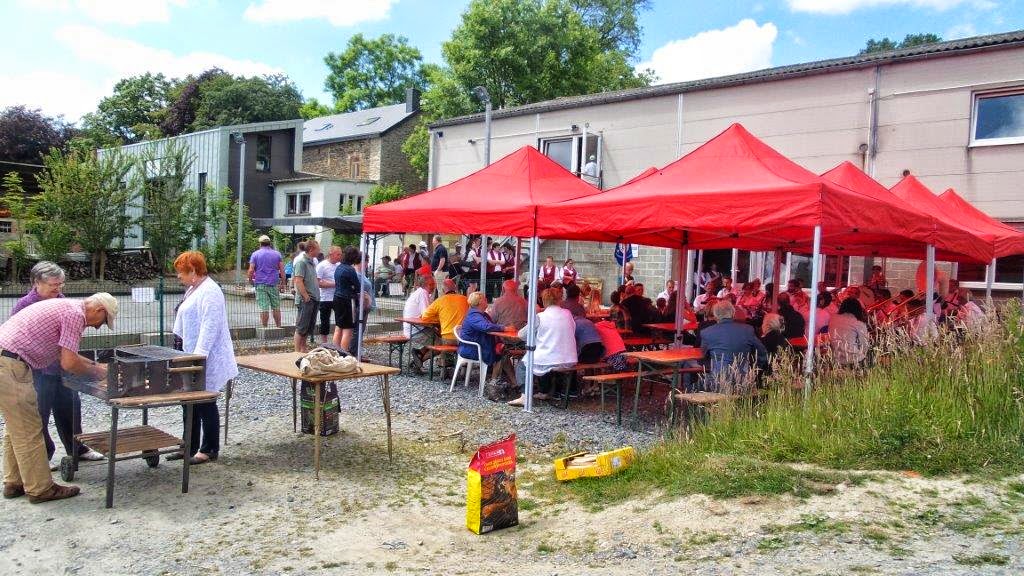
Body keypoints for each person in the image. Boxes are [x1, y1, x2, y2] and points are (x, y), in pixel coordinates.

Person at [0, 292, 116, 503]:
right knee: (29, 428)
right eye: (103, 321)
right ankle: (40, 489)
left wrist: (97, 367)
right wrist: (99, 374)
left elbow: (65, 354)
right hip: (10, 364)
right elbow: (69, 363)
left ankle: (14, 482)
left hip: (6, 358)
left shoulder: (66, 307)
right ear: (99, 310)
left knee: (16, 427)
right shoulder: (75, 315)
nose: (98, 327)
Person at [10, 262, 103, 465]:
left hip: (61, 367)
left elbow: (68, 344)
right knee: (39, 413)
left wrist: (91, 366)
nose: (58, 289)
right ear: (37, 283)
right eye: (53, 284)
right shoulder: (24, 305)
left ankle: (77, 448)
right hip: (37, 369)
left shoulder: (63, 302)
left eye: (60, 284)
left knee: (70, 406)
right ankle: (43, 455)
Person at [169, 251, 238, 465]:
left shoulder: (210, 291)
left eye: (180, 272)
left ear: (193, 271)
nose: (178, 276)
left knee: (205, 402)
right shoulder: (194, 288)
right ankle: (188, 446)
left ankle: (208, 449)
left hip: (203, 357)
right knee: (188, 403)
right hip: (189, 354)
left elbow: (210, 325)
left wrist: (199, 356)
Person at [509, 288, 577, 407]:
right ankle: (544, 391)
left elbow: (522, 334)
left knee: (523, 365)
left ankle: (525, 396)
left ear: (544, 301)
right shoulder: (568, 314)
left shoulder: (540, 316)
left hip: (549, 358)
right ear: (560, 299)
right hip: (569, 359)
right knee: (540, 361)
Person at [699, 300, 768, 393]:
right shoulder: (747, 330)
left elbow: (701, 358)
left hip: (718, 380)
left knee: (694, 385)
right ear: (733, 313)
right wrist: (754, 370)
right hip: (744, 379)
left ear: (715, 315)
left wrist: (713, 367)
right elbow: (762, 352)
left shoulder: (706, 332)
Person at [457, 291, 515, 381]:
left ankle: (513, 382)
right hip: (473, 349)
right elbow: (486, 326)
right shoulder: (474, 316)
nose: (487, 300)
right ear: (479, 302)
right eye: (485, 299)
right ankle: (494, 382)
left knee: (503, 352)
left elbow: (490, 326)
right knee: (501, 354)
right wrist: (505, 328)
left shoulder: (480, 314)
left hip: (477, 346)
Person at [420, 278, 471, 365]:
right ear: (455, 289)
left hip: (448, 339)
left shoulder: (440, 301)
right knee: (439, 342)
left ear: (443, 290)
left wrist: (440, 318)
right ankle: (446, 363)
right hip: (464, 338)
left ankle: (421, 361)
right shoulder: (465, 299)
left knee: (438, 343)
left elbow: (425, 317)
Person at [247, 235, 285, 328]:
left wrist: (250, 280)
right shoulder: (277, 254)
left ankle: (264, 328)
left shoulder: (255, 254)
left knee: (264, 307)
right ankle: (278, 327)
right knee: (276, 306)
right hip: (274, 284)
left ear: (260, 244)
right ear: (269, 243)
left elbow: (251, 270)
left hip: (260, 284)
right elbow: (282, 270)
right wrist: (283, 283)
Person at [332, 246, 362, 353]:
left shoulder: (338, 267)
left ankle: (334, 351)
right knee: (348, 329)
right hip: (347, 300)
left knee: (338, 326)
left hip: (336, 298)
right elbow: (358, 286)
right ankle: (343, 353)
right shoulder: (350, 270)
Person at [403, 275, 435, 373]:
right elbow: (426, 315)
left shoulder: (418, 292)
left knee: (438, 338)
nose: (434, 286)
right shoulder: (423, 293)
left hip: (412, 328)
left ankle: (419, 355)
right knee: (441, 343)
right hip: (415, 329)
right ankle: (417, 361)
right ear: (429, 285)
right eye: (433, 284)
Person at [828, 297, 870, 367]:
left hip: (835, 359)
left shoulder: (833, 318)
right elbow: (864, 346)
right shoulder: (858, 323)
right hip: (854, 360)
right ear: (858, 309)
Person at [315, 246, 342, 344]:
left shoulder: (339, 265)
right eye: (338, 254)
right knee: (325, 320)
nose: (340, 256)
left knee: (340, 320)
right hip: (325, 298)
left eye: (340, 254)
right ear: (331, 254)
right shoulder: (322, 265)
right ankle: (324, 342)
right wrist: (334, 284)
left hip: (337, 296)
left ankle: (337, 342)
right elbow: (318, 283)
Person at [431, 235, 450, 299]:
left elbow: (442, 260)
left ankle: (441, 305)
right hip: (439, 272)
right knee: (439, 289)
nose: (432, 242)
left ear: (437, 241)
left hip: (441, 272)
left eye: (433, 240)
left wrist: (438, 270)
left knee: (441, 290)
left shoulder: (441, 248)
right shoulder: (438, 248)